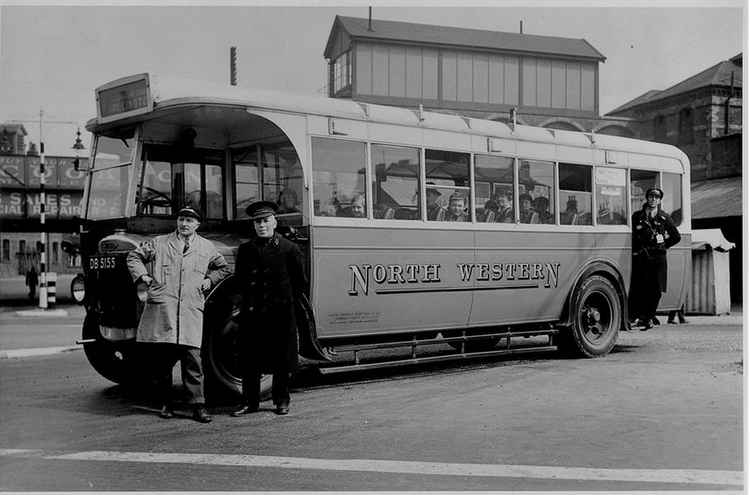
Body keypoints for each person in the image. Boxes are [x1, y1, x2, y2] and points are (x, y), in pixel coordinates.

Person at [126, 206, 231, 423]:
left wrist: (209, 280)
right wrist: (144, 277)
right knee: (163, 361)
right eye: (182, 219)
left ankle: (198, 406)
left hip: (190, 310)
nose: (184, 224)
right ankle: (166, 403)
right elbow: (134, 257)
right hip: (165, 309)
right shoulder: (159, 243)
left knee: (193, 360)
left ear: (197, 225)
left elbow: (224, 268)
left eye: (190, 221)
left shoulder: (206, 247)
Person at [232, 201, 307, 417]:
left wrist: (285, 303)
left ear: (274, 222)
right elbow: (240, 282)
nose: (261, 225)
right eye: (257, 222)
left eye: (265, 221)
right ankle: (250, 402)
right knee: (250, 360)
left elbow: (299, 283)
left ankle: (281, 401)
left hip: (280, 314)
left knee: (281, 359)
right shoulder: (246, 250)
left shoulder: (289, 248)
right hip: (253, 314)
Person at [629, 187, 681, 330]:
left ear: (659, 200)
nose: (653, 199)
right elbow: (632, 236)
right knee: (640, 288)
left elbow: (676, 237)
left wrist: (664, 246)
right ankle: (638, 316)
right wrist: (635, 251)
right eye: (651, 196)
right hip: (641, 257)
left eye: (656, 197)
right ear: (647, 198)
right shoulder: (637, 216)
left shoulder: (664, 217)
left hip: (658, 258)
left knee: (656, 290)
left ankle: (648, 317)